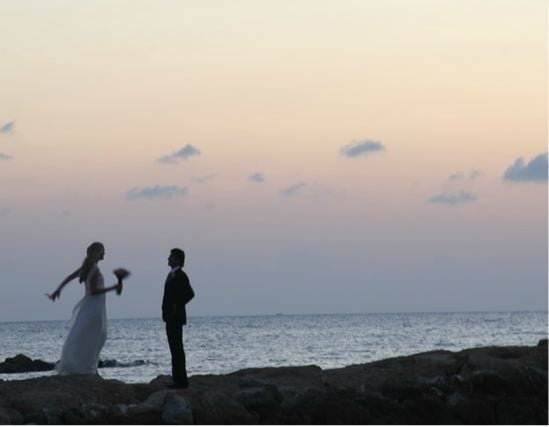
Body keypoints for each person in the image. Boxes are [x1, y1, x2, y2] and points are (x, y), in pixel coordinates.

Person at [47, 242, 124, 375]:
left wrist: (57, 290)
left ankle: (89, 367)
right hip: (94, 308)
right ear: (98, 253)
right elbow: (94, 291)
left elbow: (69, 278)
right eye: (103, 252)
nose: (104, 254)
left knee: (89, 336)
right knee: (95, 336)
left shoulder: (87, 268)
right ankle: (88, 368)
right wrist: (113, 288)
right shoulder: (94, 269)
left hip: (91, 306)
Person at [162, 247, 195, 388]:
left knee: (177, 349)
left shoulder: (181, 275)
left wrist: (176, 306)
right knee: (174, 349)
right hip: (170, 317)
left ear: (178, 260)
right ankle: (177, 379)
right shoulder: (171, 275)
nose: (168, 259)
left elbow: (189, 293)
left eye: (171, 257)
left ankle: (181, 381)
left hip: (175, 317)